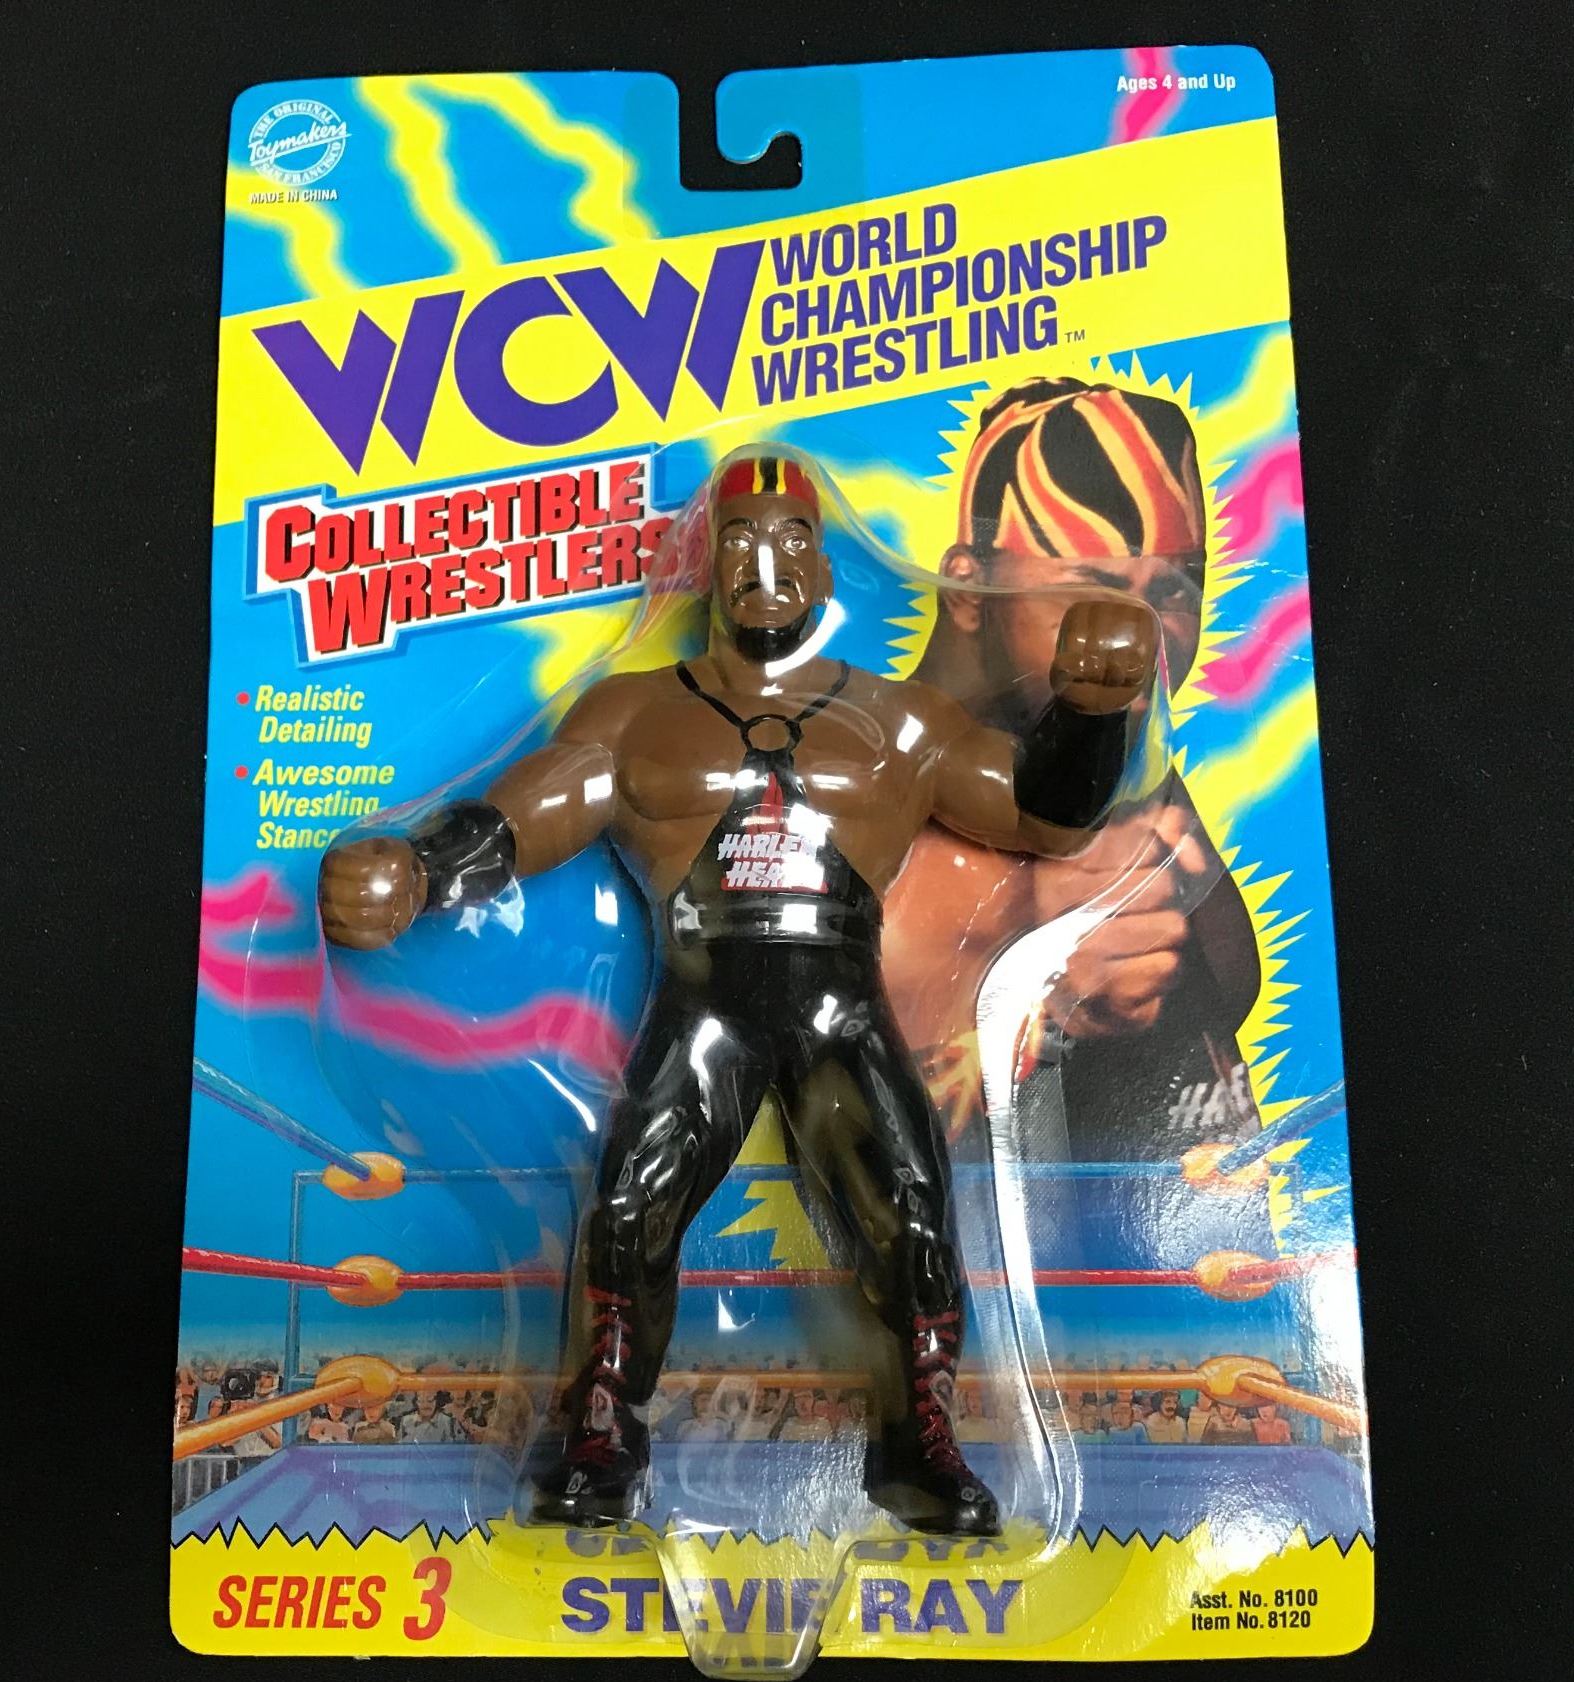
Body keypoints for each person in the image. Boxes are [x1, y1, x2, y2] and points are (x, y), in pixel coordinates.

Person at [321, 447, 1158, 1537]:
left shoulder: (899, 722)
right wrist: (420, 870)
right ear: (707, 566)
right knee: (632, 1205)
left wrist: (1093, 713)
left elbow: (1045, 814)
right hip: (705, 997)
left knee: (909, 1210)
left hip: (835, 1004)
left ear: (825, 567)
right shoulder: (634, 713)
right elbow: (526, 815)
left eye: (792, 539)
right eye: (741, 542)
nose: (766, 563)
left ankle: (921, 1437)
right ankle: (602, 1424)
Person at [888, 377, 1262, 1161]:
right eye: (1092, 591)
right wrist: (1044, 982)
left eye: (1173, 588)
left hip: (1200, 1217)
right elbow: (845, 1048)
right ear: (969, 588)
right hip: (997, 1226)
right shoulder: (890, 768)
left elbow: (1231, 983)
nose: (1139, 633)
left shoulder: (1108, 732)